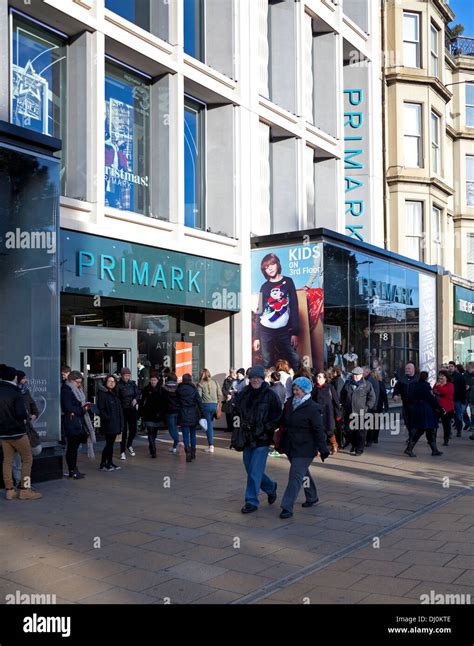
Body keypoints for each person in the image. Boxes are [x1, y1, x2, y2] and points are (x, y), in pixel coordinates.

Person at [233, 365, 281, 514]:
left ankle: (251, 501)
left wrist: (266, 428)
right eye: (252, 377)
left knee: (254, 471)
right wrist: (237, 431)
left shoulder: (270, 395)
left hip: (262, 438)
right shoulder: (243, 394)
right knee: (250, 469)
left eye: (258, 377)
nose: (255, 380)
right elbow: (236, 414)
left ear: (263, 378)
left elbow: (277, 416)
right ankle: (270, 487)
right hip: (247, 438)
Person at [279, 377, 329, 519]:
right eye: (294, 389)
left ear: (305, 390)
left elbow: (319, 430)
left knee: (295, 475)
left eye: (298, 390)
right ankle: (312, 496)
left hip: (305, 448)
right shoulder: (290, 403)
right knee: (302, 473)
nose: (295, 392)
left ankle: (286, 506)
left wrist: (323, 448)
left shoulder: (313, 408)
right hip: (290, 446)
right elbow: (282, 421)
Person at [253, 253, 301, 372]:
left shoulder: (288, 281)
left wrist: (295, 332)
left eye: (272, 264)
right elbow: (259, 312)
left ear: (277, 264)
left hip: (283, 330)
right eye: (266, 267)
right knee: (267, 361)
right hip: (265, 330)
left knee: (293, 358)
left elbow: (294, 306)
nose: (270, 268)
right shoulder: (264, 287)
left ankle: (296, 382)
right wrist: (256, 337)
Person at [0, 365, 42, 500]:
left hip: (3, 434)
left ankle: (9, 490)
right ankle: (25, 489)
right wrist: (26, 416)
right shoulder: (15, 392)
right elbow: (21, 413)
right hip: (17, 433)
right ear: (14, 377)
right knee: (27, 459)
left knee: (7, 461)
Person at [12, 371, 42, 487]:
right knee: (17, 458)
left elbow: (34, 408)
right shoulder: (12, 393)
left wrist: (33, 415)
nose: (26, 380)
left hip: (28, 429)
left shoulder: (26, 392)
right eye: (24, 378)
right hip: (16, 430)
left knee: (35, 450)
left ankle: (22, 482)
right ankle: (20, 482)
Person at [405, 372, 444, 457]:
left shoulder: (415, 385)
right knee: (422, 430)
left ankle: (434, 450)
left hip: (418, 409)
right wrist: (440, 408)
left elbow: (410, 396)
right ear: (426, 378)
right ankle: (409, 449)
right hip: (426, 411)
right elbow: (431, 399)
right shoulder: (425, 386)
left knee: (428, 430)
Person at [61, 371, 92, 479]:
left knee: (74, 447)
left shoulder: (76, 390)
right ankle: (72, 470)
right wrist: (82, 409)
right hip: (72, 422)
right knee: (72, 447)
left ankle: (74, 469)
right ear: (71, 380)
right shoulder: (66, 390)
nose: (79, 385)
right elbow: (68, 407)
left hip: (77, 420)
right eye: (77, 382)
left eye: (80, 382)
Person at [340, 366, 376, 456]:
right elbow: (342, 395)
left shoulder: (367, 384)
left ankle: (359, 449)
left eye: (357, 375)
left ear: (361, 375)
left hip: (361, 412)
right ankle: (354, 444)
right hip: (349, 411)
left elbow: (372, 397)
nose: (355, 376)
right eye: (354, 375)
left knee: (361, 432)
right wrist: (344, 405)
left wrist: (367, 407)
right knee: (349, 430)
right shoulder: (347, 383)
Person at [96, 375, 123, 470]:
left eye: (113, 381)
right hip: (109, 423)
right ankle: (104, 463)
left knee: (110, 444)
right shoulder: (102, 393)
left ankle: (109, 462)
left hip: (115, 422)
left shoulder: (114, 393)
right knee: (109, 444)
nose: (111, 383)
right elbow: (101, 408)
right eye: (109, 381)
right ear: (106, 382)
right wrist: (107, 418)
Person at [176, 373, 204, 462]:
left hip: (183, 413)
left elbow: (176, 402)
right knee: (193, 434)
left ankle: (187, 451)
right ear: (190, 379)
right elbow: (199, 401)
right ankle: (193, 452)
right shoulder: (194, 389)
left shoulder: (179, 389)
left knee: (185, 435)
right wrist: (202, 414)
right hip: (193, 414)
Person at [311, 371, 341, 455]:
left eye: (320, 377)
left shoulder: (330, 387)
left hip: (328, 413)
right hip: (317, 413)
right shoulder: (315, 388)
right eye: (317, 376)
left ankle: (334, 444)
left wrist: (338, 414)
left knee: (329, 431)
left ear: (325, 378)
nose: (318, 378)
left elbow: (336, 402)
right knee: (318, 431)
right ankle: (318, 449)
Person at [197, 369, 223, 454]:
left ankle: (211, 445)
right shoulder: (215, 382)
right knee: (210, 424)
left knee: (209, 426)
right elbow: (220, 394)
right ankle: (210, 444)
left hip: (206, 406)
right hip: (214, 406)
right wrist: (218, 404)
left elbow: (198, 397)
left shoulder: (200, 384)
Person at [393, 362, 419, 441]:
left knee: (414, 422)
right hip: (405, 404)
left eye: (409, 368)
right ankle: (411, 435)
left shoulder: (418, 379)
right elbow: (396, 388)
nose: (407, 370)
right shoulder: (402, 379)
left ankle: (412, 437)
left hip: (415, 404)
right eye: (406, 368)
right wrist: (395, 395)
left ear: (413, 369)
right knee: (407, 421)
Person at [117, 367, 139, 460]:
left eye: (128, 375)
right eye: (125, 375)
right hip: (123, 410)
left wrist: (135, 399)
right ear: (122, 376)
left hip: (132, 409)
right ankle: (122, 451)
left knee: (133, 430)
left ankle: (129, 445)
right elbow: (117, 397)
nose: (127, 377)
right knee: (124, 431)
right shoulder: (118, 385)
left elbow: (138, 393)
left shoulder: (133, 383)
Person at [139, 373, 162, 458]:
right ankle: (153, 449)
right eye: (152, 380)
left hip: (157, 414)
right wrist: (140, 412)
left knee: (154, 432)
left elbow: (163, 402)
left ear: (157, 381)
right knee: (150, 431)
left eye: (154, 380)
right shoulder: (146, 389)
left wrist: (161, 412)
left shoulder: (160, 389)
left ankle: (151, 445)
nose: (153, 381)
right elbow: (142, 401)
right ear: (150, 380)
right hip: (148, 413)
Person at [433, 371, 455, 447]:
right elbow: (434, 391)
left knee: (446, 425)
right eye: (440, 376)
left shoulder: (450, 385)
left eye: (443, 376)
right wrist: (437, 388)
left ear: (446, 377)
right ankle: (432, 439)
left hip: (447, 408)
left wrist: (438, 388)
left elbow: (445, 392)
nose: (441, 377)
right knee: (434, 424)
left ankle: (446, 439)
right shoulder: (437, 384)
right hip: (437, 407)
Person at [161, 372, 180, 453]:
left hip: (169, 410)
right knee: (175, 428)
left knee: (171, 429)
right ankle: (175, 446)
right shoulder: (179, 387)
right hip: (178, 410)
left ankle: (176, 441)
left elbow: (162, 400)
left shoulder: (164, 387)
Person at [447, 361, 467, 437]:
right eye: (449, 366)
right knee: (448, 416)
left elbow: (463, 389)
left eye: (451, 366)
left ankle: (459, 430)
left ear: (455, 368)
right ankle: (448, 431)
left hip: (457, 400)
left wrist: (463, 399)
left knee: (458, 416)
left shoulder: (459, 376)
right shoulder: (447, 376)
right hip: (449, 399)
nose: (450, 367)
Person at [362, 366, 380, 447]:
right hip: (365, 406)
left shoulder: (372, 381)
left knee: (370, 425)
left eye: (362, 372)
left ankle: (369, 440)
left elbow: (375, 395)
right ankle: (367, 439)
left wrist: (372, 407)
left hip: (370, 407)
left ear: (366, 372)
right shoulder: (364, 380)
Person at [370, 370, 389, 444]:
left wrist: (386, 405)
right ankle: (374, 438)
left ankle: (374, 438)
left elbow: (384, 395)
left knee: (375, 422)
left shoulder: (380, 384)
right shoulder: (371, 383)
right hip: (375, 405)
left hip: (378, 405)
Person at [464, 362, 474, 439]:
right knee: (466, 412)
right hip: (468, 397)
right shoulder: (466, 374)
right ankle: (469, 424)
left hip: (471, 398)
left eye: (468, 367)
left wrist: (469, 387)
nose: (467, 368)